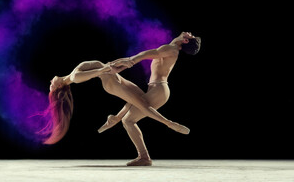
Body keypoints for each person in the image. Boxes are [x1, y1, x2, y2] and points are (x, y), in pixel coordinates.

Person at [97, 32, 201, 166]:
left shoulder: (171, 49)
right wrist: (123, 65)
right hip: (156, 89)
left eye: (190, 35)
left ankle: (145, 156)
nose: (189, 32)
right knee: (131, 105)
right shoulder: (170, 49)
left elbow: (145, 54)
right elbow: (143, 57)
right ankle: (142, 152)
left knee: (128, 120)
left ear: (185, 40)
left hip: (159, 90)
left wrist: (129, 60)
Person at [43, 58, 190, 145]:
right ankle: (170, 124)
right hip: (112, 83)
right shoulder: (75, 77)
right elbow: (101, 71)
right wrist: (113, 66)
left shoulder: (73, 74)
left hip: (115, 79)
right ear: (60, 86)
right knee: (142, 105)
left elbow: (104, 67)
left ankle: (116, 120)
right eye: (51, 87)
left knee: (140, 103)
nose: (50, 82)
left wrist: (119, 63)